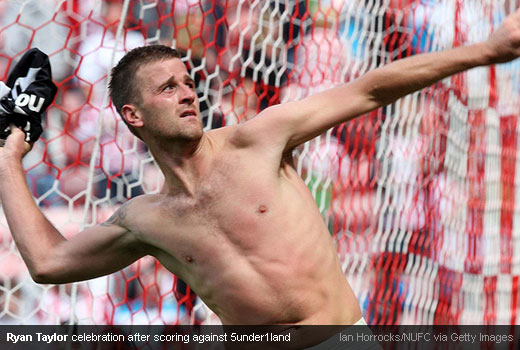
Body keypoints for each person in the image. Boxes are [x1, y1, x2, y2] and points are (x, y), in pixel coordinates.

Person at [1, 8, 520, 330]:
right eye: (167, 88)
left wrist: (486, 51)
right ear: (132, 116)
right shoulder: (146, 220)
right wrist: (8, 158)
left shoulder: (259, 139)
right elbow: (49, 264)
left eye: (187, 82)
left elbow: (369, 89)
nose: (187, 93)